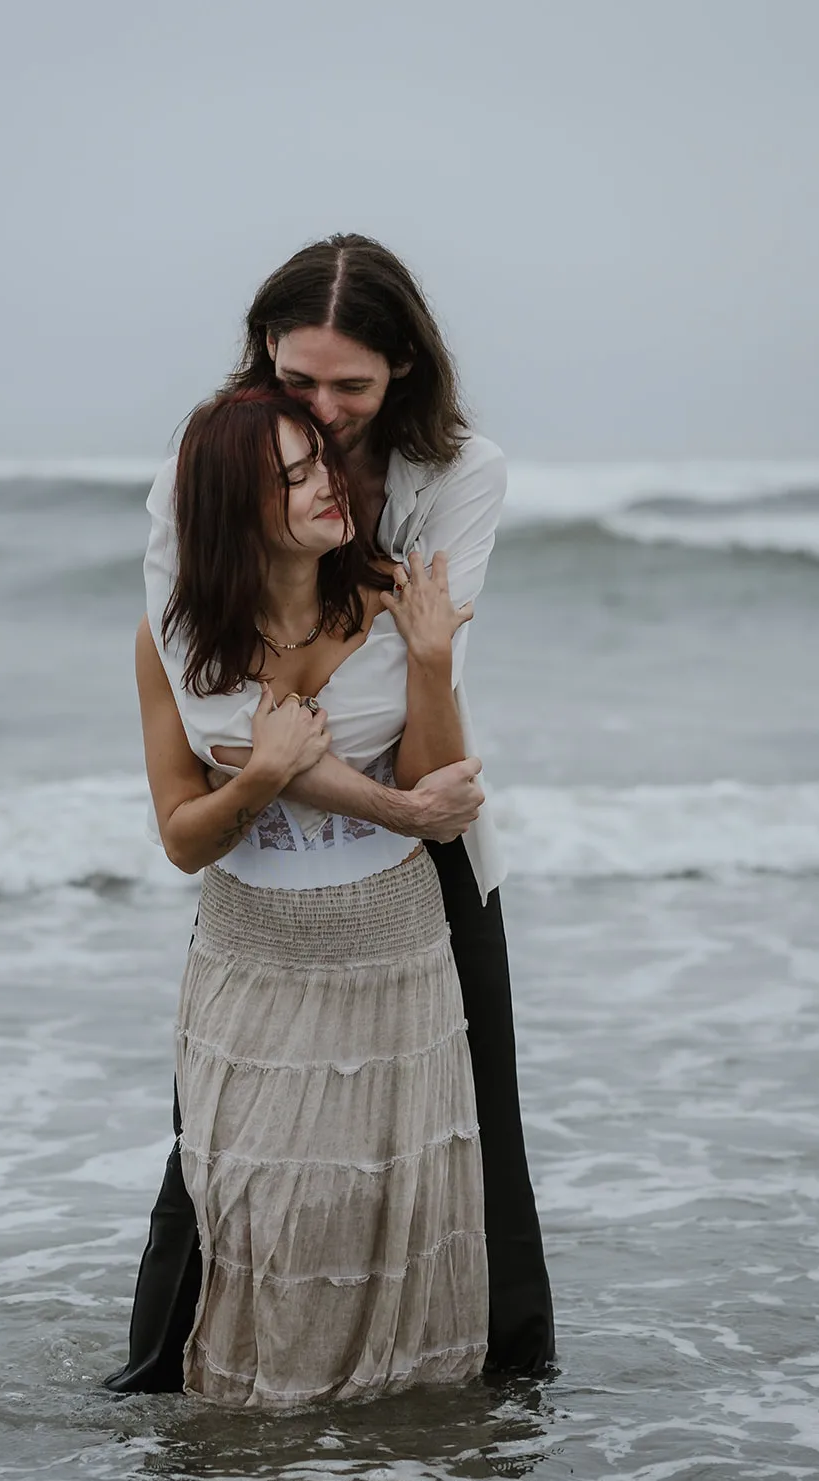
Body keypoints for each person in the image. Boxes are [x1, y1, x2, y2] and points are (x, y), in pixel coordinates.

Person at [106, 234, 554, 1394]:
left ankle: (487, 1388)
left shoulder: (460, 476)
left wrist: (375, 741)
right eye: (296, 378)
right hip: (299, 848)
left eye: (349, 386)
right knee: (226, 1135)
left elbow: (381, 692)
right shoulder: (197, 472)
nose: (323, 410)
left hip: (421, 857)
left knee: (465, 1131)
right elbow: (214, 721)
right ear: (263, 350)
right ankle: (168, 1368)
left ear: (403, 369)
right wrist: (386, 784)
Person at [134, 385, 488, 1406]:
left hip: (395, 942)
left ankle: (389, 1460)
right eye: (289, 477)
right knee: (265, 1213)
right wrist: (254, 778)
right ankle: (261, 1438)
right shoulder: (179, 638)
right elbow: (180, 839)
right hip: (254, 952)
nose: (326, 485)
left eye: (321, 461)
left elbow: (437, 788)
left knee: (395, 1211)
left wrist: (429, 659)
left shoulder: (386, 592)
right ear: (230, 509)